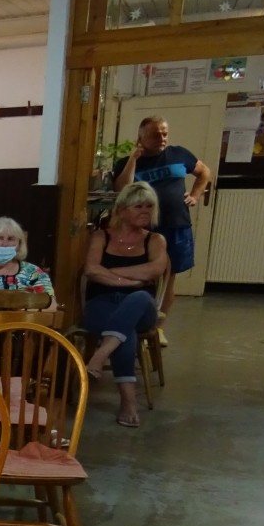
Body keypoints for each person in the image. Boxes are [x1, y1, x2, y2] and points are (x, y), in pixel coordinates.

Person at [112, 116, 213, 340]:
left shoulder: (179, 154)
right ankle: (136, 322)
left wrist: (195, 195)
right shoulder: (127, 162)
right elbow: (121, 189)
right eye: (155, 134)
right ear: (141, 137)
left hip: (176, 226)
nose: (162, 138)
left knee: (168, 280)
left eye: (164, 133)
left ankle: (157, 328)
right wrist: (133, 159)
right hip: (142, 231)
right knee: (142, 278)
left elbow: (204, 172)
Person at [82, 182, 168, 429]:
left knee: (138, 298)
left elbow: (155, 269)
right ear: (121, 209)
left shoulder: (155, 239)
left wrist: (110, 273)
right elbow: (91, 269)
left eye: (149, 206)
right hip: (101, 303)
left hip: (142, 307)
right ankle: (128, 402)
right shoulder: (101, 236)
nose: (145, 211)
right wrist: (129, 280)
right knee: (123, 331)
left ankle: (100, 355)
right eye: (138, 206)